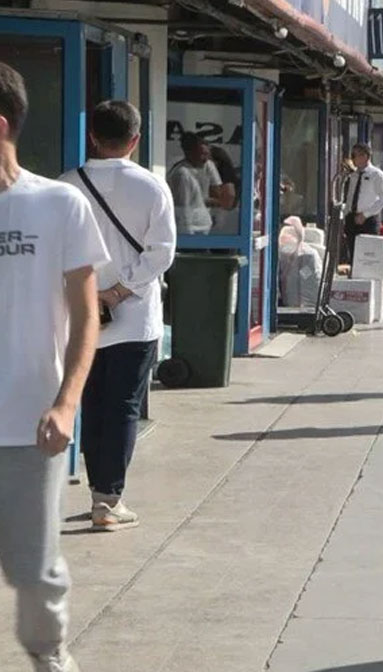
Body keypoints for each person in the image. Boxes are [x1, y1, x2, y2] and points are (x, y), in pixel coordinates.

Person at [0, 62, 110, 672]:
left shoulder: (58, 204)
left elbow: (85, 315)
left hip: (29, 428)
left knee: (34, 573)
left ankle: (49, 661)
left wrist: (67, 402)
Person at [59, 100, 176, 532]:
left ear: (92, 136)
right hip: (135, 315)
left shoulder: (66, 186)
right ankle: (108, 501)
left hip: (82, 316)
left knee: (91, 404)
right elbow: (162, 253)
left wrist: (93, 293)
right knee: (124, 406)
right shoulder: (151, 187)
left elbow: (58, 254)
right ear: (136, 140)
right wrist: (120, 290)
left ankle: (97, 494)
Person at [340, 142, 383, 265]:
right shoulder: (353, 175)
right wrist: (345, 215)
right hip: (352, 218)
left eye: (354, 155)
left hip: (368, 220)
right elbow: (351, 197)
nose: (352, 159)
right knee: (352, 252)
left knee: (367, 255)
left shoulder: (376, 174)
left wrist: (365, 214)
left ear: (365, 156)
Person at [167, 131, 221, 234]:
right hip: (192, 229)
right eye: (201, 154)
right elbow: (183, 208)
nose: (205, 159)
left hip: (203, 225)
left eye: (207, 154)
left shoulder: (208, 166)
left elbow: (219, 198)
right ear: (189, 152)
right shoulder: (182, 174)